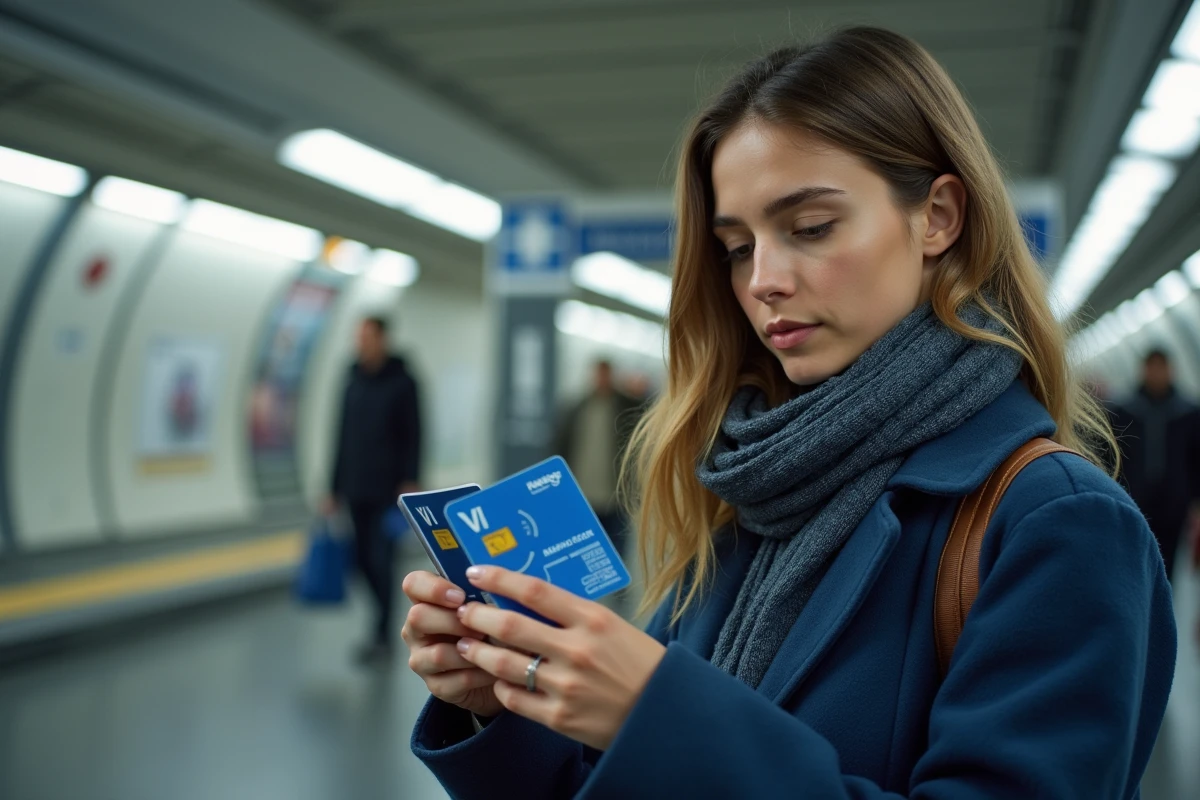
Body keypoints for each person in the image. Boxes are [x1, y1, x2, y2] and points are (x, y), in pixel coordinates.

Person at [400, 28, 1176, 798]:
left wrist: (659, 716)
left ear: (938, 216)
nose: (763, 280)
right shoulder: (754, 489)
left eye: (810, 228)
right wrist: (506, 702)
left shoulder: (1057, 523)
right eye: (737, 247)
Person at [327, 315, 422, 663]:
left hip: (387, 490)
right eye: (358, 336)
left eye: (367, 336)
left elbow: (414, 434)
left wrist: (411, 478)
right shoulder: (352, 379)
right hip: (355, 486)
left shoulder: (403, 382)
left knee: (382, 561)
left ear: (383, 339)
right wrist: (332, 486)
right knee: (360, 561)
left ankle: (382, 634)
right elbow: (341, 435)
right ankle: (379, 622)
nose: (361, 342)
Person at [1109, 348, 1200, 583]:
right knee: (1137, 558)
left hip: (1175, 504)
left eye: (1162, 368)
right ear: (1144, 370)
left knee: (1169, 564)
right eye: (1153, 368)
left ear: (1171, 371)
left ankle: (1163, 605)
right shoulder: (1124, 412)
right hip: (1134, 499)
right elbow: (1114, 457)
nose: (1157, 373)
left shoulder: (1189, 414)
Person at [552, 360, 642, 558]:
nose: (601, 379)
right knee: (586, 541)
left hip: (615, 490)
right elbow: (561, 446)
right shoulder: (576, 408)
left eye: (605, 374)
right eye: (598, 374)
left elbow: (638, 448)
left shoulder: (627, 407)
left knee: (618, 541)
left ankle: (620, 586)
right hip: (583, 490)